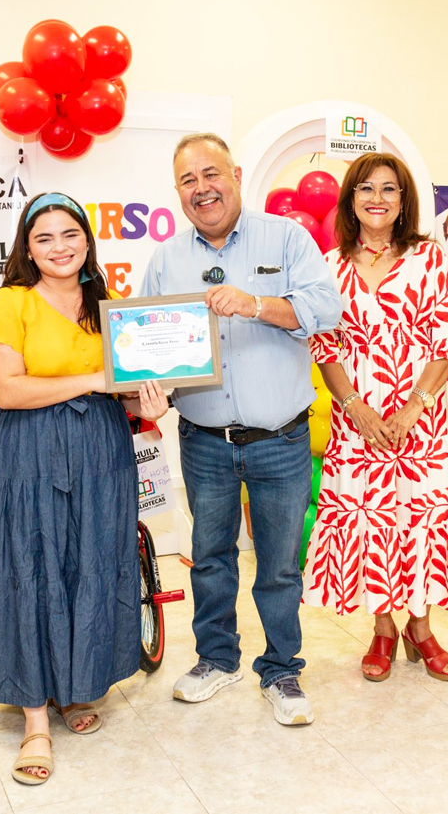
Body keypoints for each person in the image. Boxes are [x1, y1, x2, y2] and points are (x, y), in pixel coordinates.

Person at [139, 132, 341, 725]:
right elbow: (147, 344)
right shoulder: (166, 259)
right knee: (209, 558)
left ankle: (281, 670)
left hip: (281, 438)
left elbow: (326, 309)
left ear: (236, 175)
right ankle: (217, 659)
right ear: (178, 191)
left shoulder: (287, 238)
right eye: (188, 180)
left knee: (279, 564)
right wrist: (149, 388)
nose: (202, 188)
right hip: (204, 441)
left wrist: (255, 304)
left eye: (211, 174)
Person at [0, 192, 168, 784]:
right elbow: (8, 390)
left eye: (70, 234)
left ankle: (78, 686)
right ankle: (35, 718)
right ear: (27, 249)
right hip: (28, 452)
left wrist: (147, 400)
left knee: (91, 562)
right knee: (31, 567)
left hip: (101, 450)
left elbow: (122, 390)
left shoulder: (109, 305)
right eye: (44, 238)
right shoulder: (10, 303)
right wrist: (94, 380)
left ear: (87, 240)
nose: (59, 247)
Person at [302, 152, 448, 683]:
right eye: (366, 188)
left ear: (404, 201)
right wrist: (354, 407)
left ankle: (420, 629)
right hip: (357, 423)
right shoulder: (328, 267)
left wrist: (414, 407)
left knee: (420, 521)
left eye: (389, 189)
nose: (377, 198)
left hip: (421, 422)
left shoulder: (430, 259)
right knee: (370, 522)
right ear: (350, 200)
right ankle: (382, 629)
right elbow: (326, 347)